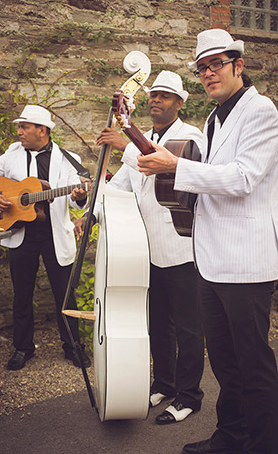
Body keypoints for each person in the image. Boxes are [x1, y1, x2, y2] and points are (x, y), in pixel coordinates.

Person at [137, 29, 278, 454]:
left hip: (246, 259)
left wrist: (175, 165)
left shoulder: (261, 111)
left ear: (238, 64)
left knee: (252, 363)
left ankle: (265, 442)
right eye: (201, 68)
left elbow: (243, 177)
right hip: (210, 260)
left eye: (217, 63)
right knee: (224, 362)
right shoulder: (216, 117)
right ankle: (231, 436)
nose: (209, 73)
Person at [75, 71, 204, 424]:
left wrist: (125, 143)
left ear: (180, 103)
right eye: (154, 95)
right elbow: (122, 186)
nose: (156, 100)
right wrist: (91, 210)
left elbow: (161, 168)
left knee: (190, 327)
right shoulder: (141, 137)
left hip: (183, 249)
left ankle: (190, 395)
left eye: (165, 96)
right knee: (158, 324)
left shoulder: (190, 137)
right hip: (148, 250)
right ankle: (165, 383)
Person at [0, 105, 91, 371]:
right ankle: (23, 348)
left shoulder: (69, 159)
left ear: (42, 130)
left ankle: (73, 346)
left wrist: (80, 198)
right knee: (21, 294)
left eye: (24, 127)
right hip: (21, 234)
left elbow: (76, 204)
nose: (19, 131)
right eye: (19, 126)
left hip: (53, 235)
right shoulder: (11, 155)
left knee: (64, 294)